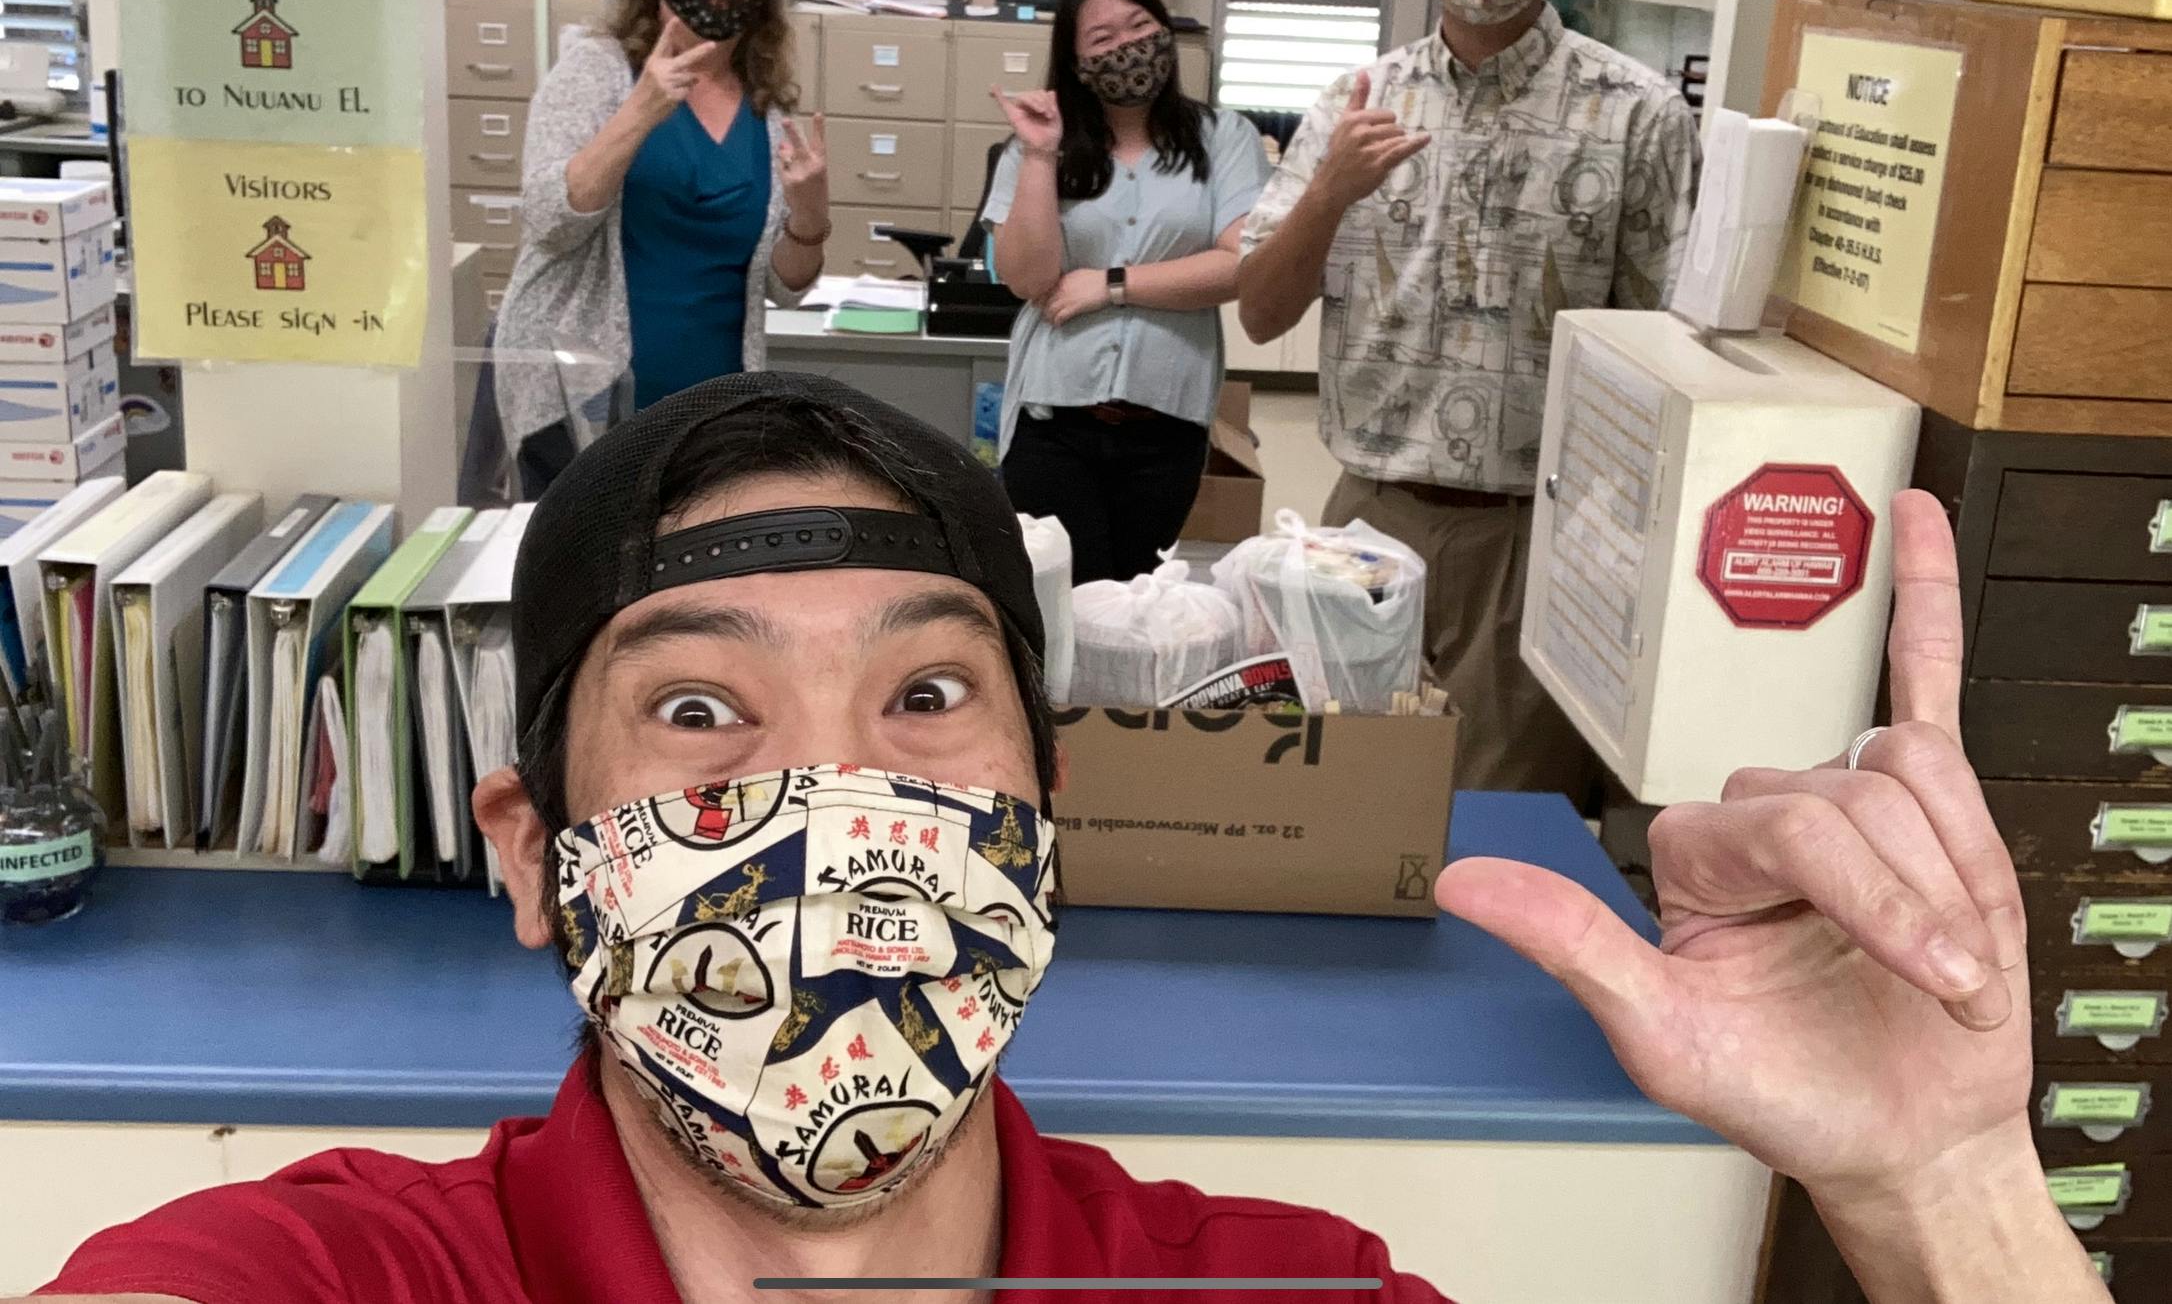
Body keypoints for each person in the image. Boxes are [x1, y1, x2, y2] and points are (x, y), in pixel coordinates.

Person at [33, 371, 2108, 1304]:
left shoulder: (1290, 1300)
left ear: (1046, 824)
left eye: (928, 697)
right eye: (700, 711)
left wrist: (1946, 1200)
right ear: (529, 852)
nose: (844, 802)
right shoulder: (330, 1277)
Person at [1237, 0, 1701, 803]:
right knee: (1339, 803)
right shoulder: (1356, 103)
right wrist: (1328, 193)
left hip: (1541, 534)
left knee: (1502, 821)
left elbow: (1668, 356)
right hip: (1367, 518)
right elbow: (1262, 313)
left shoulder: (1639, 115)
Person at [493, 0, 832, 496]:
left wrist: (809, 216)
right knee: (582, 553)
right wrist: (639, 111)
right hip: (581, 401)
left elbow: (786, 287)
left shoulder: (767, 110)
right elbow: (549, 220)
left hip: (716, 410)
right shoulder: (597, 70)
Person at [988, 0, 1269, 583]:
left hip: (1168, 422)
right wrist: (1039, 153)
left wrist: (1110, 286)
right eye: (1103, 38)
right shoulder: (1035, 147)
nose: (1128, 46)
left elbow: (1242, 264)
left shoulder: (1224, 138)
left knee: (1137, 600)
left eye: (1140, 25)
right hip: (1054, 418)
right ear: (1076, 61)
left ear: (1165, 31)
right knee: (1061, 600)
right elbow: (1027, 279)